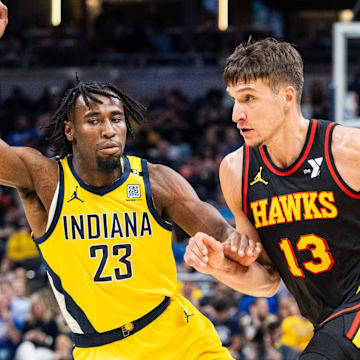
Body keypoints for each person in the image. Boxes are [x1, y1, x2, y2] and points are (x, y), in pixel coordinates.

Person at [0, 4, 271, 359]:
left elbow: (222, 233)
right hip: (103, 348)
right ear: (70, 130)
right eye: (93, 120)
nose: (109, 129)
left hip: (181, 336)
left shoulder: (156, 181)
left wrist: (240, 247)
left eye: (116, 118)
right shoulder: (45, 179)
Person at [184, 37, 360, 359]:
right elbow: (266, 281)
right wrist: (218, 266)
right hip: (326, 321)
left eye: (249, 98)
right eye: (234, 100)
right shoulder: (236, 171)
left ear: (287, 97)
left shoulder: (348, 151)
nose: (237, 113)